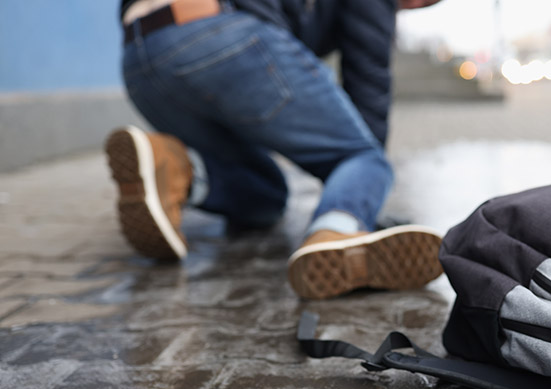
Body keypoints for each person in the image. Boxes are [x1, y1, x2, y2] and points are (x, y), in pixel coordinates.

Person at [106, 0, 444, 299]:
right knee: (366, 157)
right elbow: (368, 77)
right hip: (219, 33)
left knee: (265, 195)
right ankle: (337, 234)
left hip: (139, 57)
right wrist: (359, 194)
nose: (410, 8)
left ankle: (177, 169)